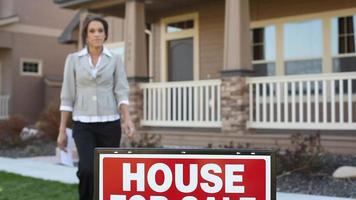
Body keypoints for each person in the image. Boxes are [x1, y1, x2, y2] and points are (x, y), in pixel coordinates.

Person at [56, 15, 134, 200]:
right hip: (83, 124)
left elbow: (121, 91)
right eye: (92, 31)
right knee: (87, 170)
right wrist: (61, 130)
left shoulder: (115, 59)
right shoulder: (73, 59)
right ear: (86, 35)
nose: (97, 34)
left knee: (109, 173)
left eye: (100, 31)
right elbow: (67, 96)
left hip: (110, 124)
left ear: (106, 35)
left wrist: (127, 119)